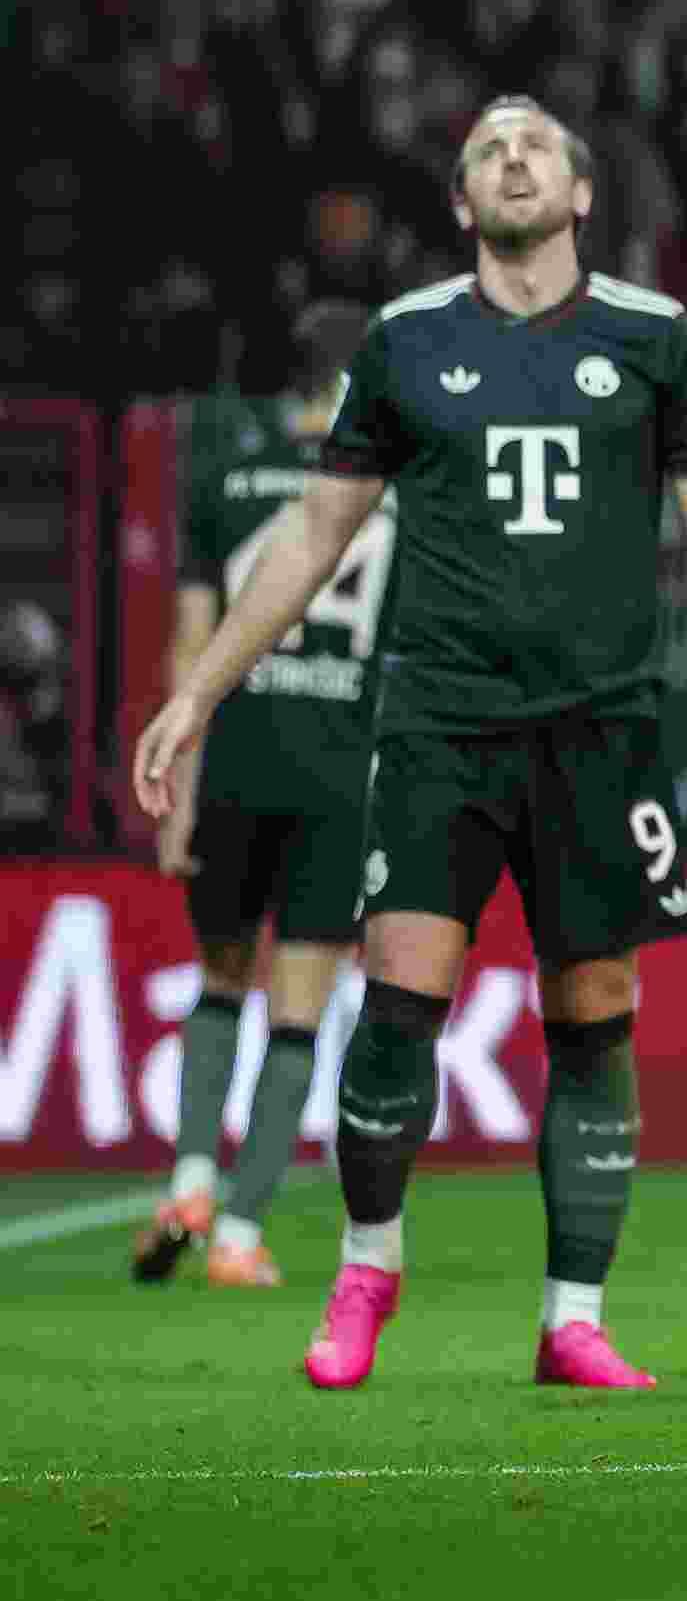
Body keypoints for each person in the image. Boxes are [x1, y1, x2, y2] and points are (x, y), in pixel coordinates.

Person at [132, 97, 687, 1392]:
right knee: (399, 993)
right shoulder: (404, 342)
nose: (511, 155)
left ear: (578, 194)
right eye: (485, 150)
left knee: (594, 1009)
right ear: (463, 205)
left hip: (602, 727)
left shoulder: (656, 338)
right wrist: (201, 692)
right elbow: (311, 539)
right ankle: (366, 1268)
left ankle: (573, 1317)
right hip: (441, 719)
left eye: (535, 146)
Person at [132, 303, 385, 1290]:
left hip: (236, 758)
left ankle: (189, 1180)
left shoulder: (225, 486)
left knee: (219, 979)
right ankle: (239, 1234)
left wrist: (181, 791)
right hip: (336, 770)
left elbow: (190, 647)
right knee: (298, 1012)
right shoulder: (380, 492)